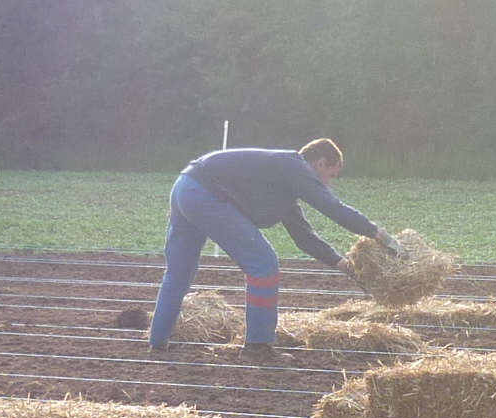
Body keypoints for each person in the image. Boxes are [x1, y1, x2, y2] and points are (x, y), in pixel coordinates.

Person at [147, 139, 401, 359]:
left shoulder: (283, 181)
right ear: (320, 163)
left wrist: (346, 266)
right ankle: (257, 346)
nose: (328, 183)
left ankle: (157, 341)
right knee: (263, 264)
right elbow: (332, 207)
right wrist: (378, 234)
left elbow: (305, 238)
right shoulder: (294, 166)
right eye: (331, 175)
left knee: (179, 272)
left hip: (184, 187)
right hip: (205, 194)